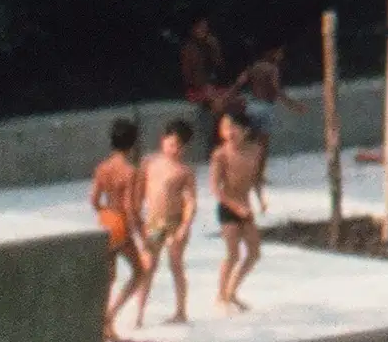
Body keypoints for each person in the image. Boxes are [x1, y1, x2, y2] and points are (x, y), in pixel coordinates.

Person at [125, 119, 199, 326]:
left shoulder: (184, 171)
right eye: (171, 143)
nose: (174, 149)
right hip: (153, 222)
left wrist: (186, 225)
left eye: (179, 146)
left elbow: (191, 201)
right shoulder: (149, 162)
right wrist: (135, 216)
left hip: (174, 222)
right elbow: (139, 191)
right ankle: (138, 314)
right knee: (147, 266)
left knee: (176, 265)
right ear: (163, 140)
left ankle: (181, 311)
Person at [209, 107, 269, 313]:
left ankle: (231, 292)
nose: (229, 132)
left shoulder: (256, 150)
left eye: (234, 127)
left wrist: (260, 199)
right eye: (225, 128)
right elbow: (215, 188)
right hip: (228, 206)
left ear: (245, 130)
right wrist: (236, 207)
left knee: (254, 253)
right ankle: (221, 295)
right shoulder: (220, 154)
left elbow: (256, 177)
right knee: (232, 254)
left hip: (246, 206)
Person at [90, 117, 149, 326]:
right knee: (139, 271)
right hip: (121, 225)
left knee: (110, 277)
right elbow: (131, 209)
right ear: (132, 144)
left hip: (105, 221)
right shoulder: (130, 172)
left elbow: (94, 200)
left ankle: (103, 320)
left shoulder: (102, 168)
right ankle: (109, 317)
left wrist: (106, 214)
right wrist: (143, 238)